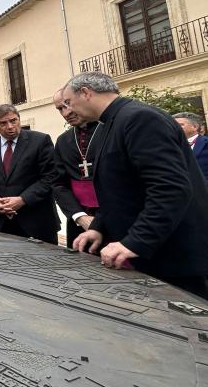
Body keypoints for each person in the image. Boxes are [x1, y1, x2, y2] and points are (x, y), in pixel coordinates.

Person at [64, 72, 208, 299]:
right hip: (151, 254)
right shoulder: (110, 123)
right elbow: (120, 188)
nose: (69, 111)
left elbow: (170, 188)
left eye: (69, 102)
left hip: (173, 257)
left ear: (85, 92)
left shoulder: (139, 118)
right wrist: (98, 227)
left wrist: (135, 241)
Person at [0, 104, 60, 244]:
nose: (10, 126)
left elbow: (50, 177)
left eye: (13, 120)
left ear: (19, 119)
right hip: (1, 223)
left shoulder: (40, 141)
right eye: (3, 123)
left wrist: (22, 199)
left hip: (37, 222)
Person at [51, 88, 101, 248]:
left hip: (115, 216)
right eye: (60, 109)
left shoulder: (109, 130)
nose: (66, 113)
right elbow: (58, 184)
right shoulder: (63, 140)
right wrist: (79, 216)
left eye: (68, 104)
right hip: (78, 220)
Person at [173, 112, 208, 180]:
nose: (175, 127)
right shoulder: (169, 145)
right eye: (173, 125)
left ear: (195, 127)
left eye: (180, 125)